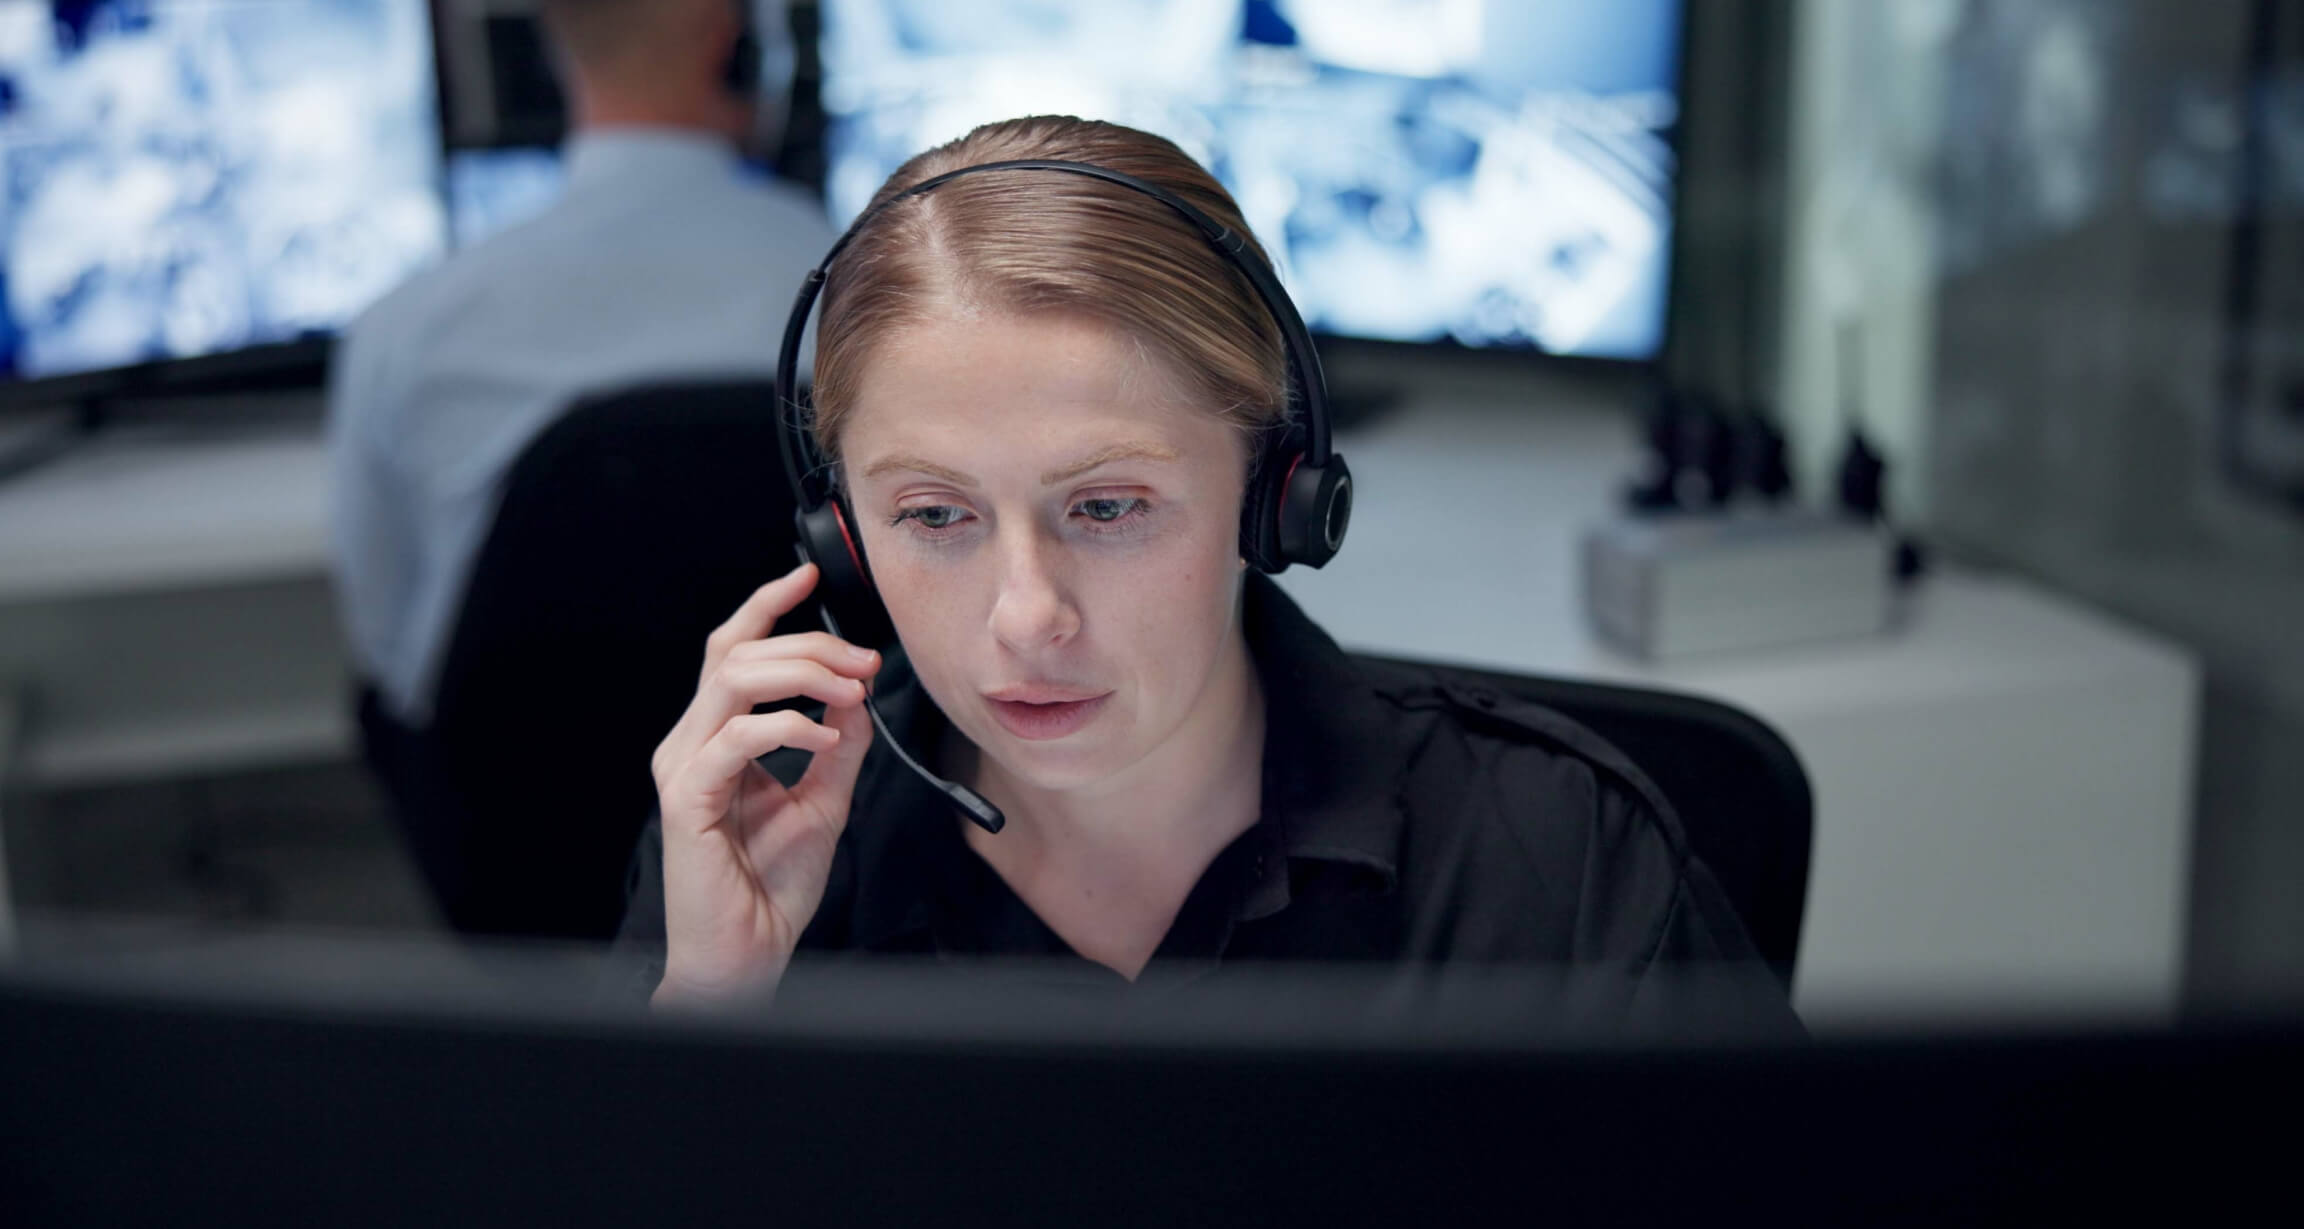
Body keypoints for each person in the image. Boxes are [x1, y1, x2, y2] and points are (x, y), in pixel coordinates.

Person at [619, 115, 1794, 1030]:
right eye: (934, 515)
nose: (1028, 618)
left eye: (1109, 505)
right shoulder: (753, 843)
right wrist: (710, 1014)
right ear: (839, 533)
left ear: (1274, 491)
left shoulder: (1553, 859)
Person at [328, 0, 836, 726]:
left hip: (522, 817)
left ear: (549, 51)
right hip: (806, 777)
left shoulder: (402, 333)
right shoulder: (861, 298)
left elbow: (396, 661)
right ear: (734, 39)